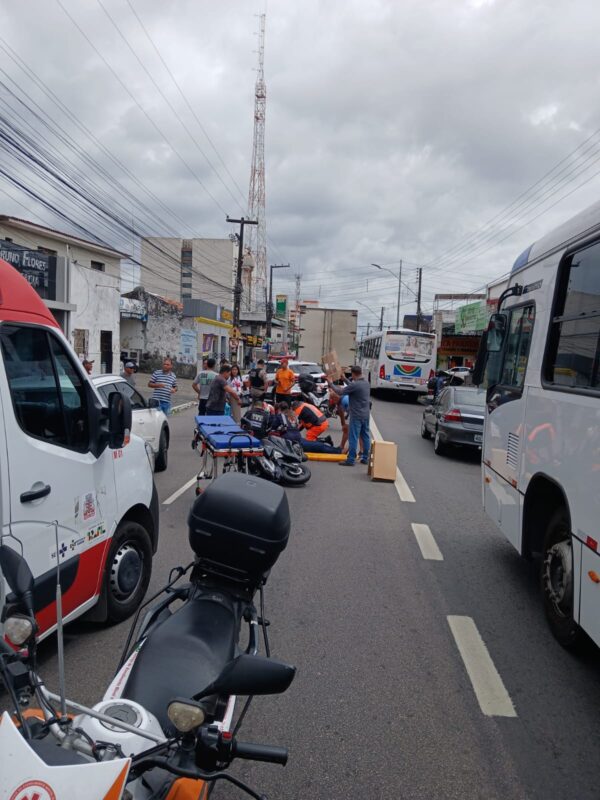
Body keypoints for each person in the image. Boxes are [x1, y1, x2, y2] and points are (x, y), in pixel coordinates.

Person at [328, 365, 371, 466]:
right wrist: (345, 379)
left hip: (356, 415)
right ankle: (365, 458)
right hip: (366, 414)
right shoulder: (366, 383)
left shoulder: (355, 385)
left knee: (353, 437)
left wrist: (330, 383)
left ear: (353, 374)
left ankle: (350, 459)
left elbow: (340, 392)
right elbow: (353, 386)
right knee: (365, 436)